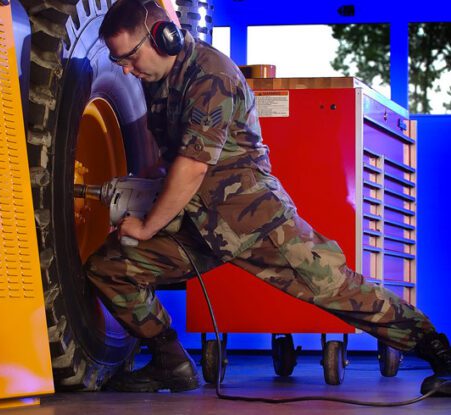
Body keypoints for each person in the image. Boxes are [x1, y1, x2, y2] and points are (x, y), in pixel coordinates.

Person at [86, 0, 451, 395]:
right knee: (110, 266)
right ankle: (170, 362)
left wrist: (146, 226)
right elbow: (172, 157)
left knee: (336, 288)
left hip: (252, 219)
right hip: (194, 222)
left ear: (164, 36)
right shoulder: (156, 79)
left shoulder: (210, 74)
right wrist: (141, 195)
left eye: (130, 56)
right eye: (118, 60)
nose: (126, 69)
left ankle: (440, 353)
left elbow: (192, 165)